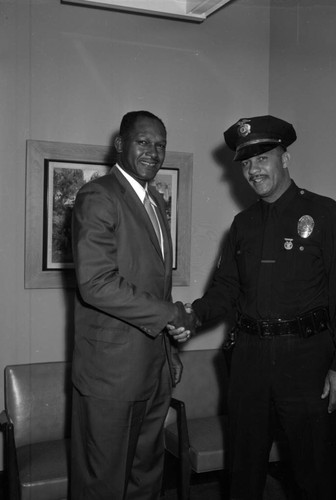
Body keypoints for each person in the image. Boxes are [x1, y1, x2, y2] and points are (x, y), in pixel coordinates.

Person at [173, 115, 336, 499]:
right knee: (244, 472)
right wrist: (194, 315)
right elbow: (225, 290)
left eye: (262, 158)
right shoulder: (242, 225)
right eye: (245, 163)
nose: (253, 170)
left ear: (285, 159)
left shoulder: (325, 214)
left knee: (316, 474)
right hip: (250, 360)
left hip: (308, 360)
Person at [70, 110, 196, 500]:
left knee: (146, 477)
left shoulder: (154, 200)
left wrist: (168, 349)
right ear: (120, 145)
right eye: (144, 142)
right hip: (111, 377)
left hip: (152, 368)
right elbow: (95, 284)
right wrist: (170, 315)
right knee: (104, 485)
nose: (154, 152)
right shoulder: (98, 195)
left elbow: (153, 285)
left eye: (160, 145)